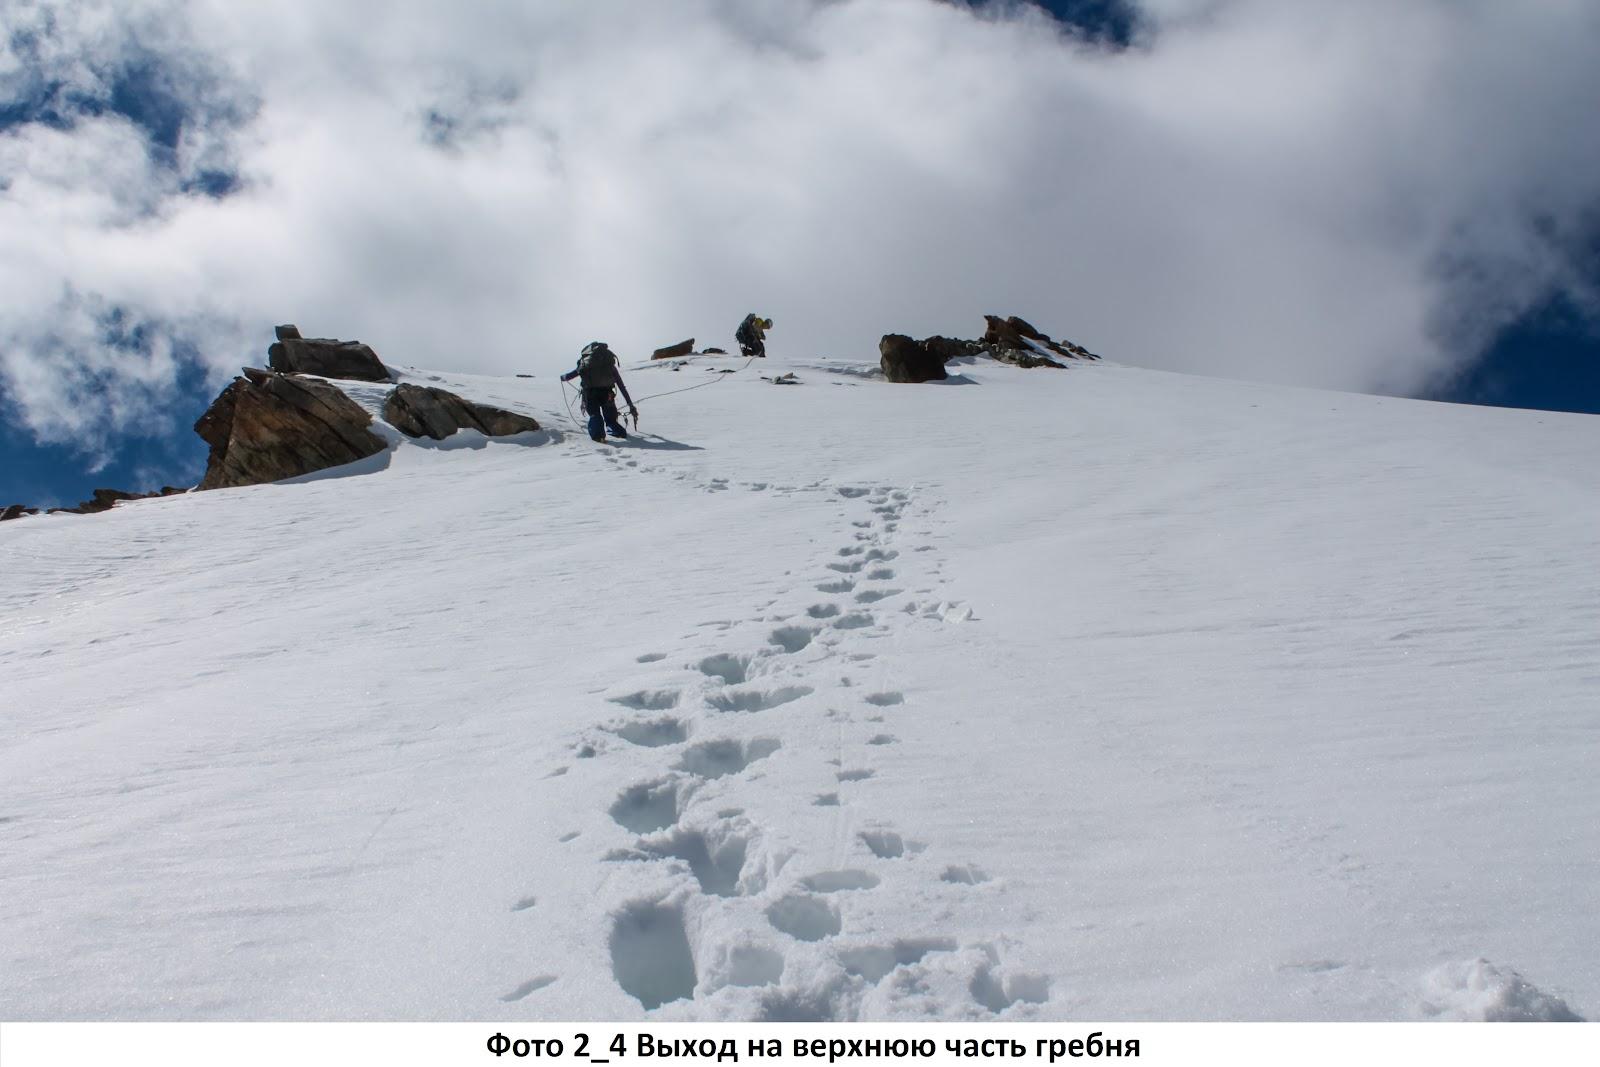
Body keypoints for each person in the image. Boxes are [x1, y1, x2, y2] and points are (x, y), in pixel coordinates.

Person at [561, 341, 638, 442]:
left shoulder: (585, 363)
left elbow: (570, 375)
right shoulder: (609, 364)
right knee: (611, 419)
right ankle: (618, 432)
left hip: (590, 394)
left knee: (595, 415)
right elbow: (621, 386)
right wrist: (630, 405)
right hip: (608, 394)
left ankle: (598, 436)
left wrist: (562, 377)